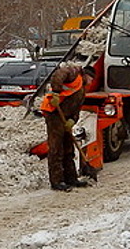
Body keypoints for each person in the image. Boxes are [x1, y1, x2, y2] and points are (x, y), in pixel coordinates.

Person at [40, 64, 95, 192]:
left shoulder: (82, 91)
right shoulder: (73, 73)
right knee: (56, 149)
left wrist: (72, 120)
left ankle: (71, 178)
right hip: (54, 113)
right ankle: (57, 181)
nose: (91, 82)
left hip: (65, 118)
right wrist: (55, 92)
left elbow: (77, 110)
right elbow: (58, 75)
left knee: (68, 148)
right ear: (87, 75)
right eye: (91, 79)